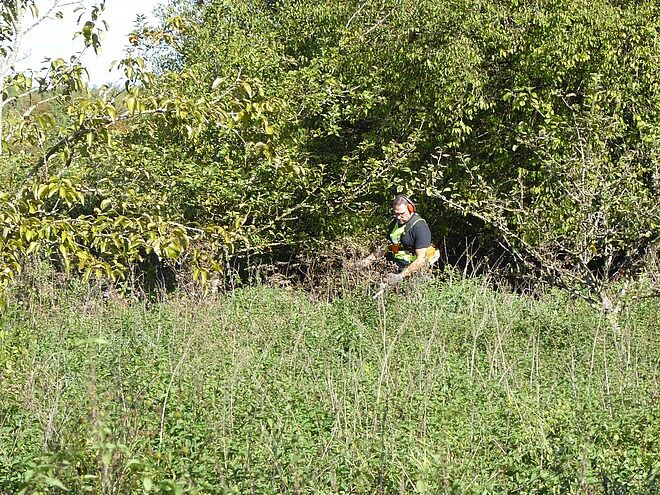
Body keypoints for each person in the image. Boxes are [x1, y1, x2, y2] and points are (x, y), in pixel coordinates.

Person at [359, 195, 436, 284]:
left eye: (402, 214)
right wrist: (364, 262)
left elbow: (421, 260)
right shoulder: (394, 223)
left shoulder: (420, 227)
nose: (398, 217)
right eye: (396, 214)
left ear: (410, 209)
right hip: (394, 267)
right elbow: (386, 247)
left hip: (412, 272)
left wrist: (400, 276)